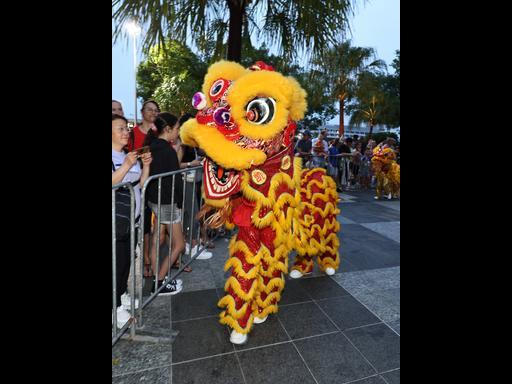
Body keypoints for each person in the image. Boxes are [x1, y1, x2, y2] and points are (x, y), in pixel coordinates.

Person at [112, 114, 152, 327]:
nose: (126, 132)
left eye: (126, 128)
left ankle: (121, 296)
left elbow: (140, 184)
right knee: (116, 264)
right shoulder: (121, 158)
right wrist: (126, 165)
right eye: (120, 129)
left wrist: (145, 166)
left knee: (126, 261)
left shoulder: (128, 155)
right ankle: (115, 308)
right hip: (115, 223)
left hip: (131, 220)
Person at [144, 112, 185, 296]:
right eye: (176, 129)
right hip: (167, 203)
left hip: (154, 201)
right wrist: (179, 203)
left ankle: (155, 277)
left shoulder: (150, 147)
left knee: (156, 239)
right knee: (179, 244)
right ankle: (159, 283)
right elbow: (175, 180)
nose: (178, 132)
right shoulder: (168, 151)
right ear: (167, 129)